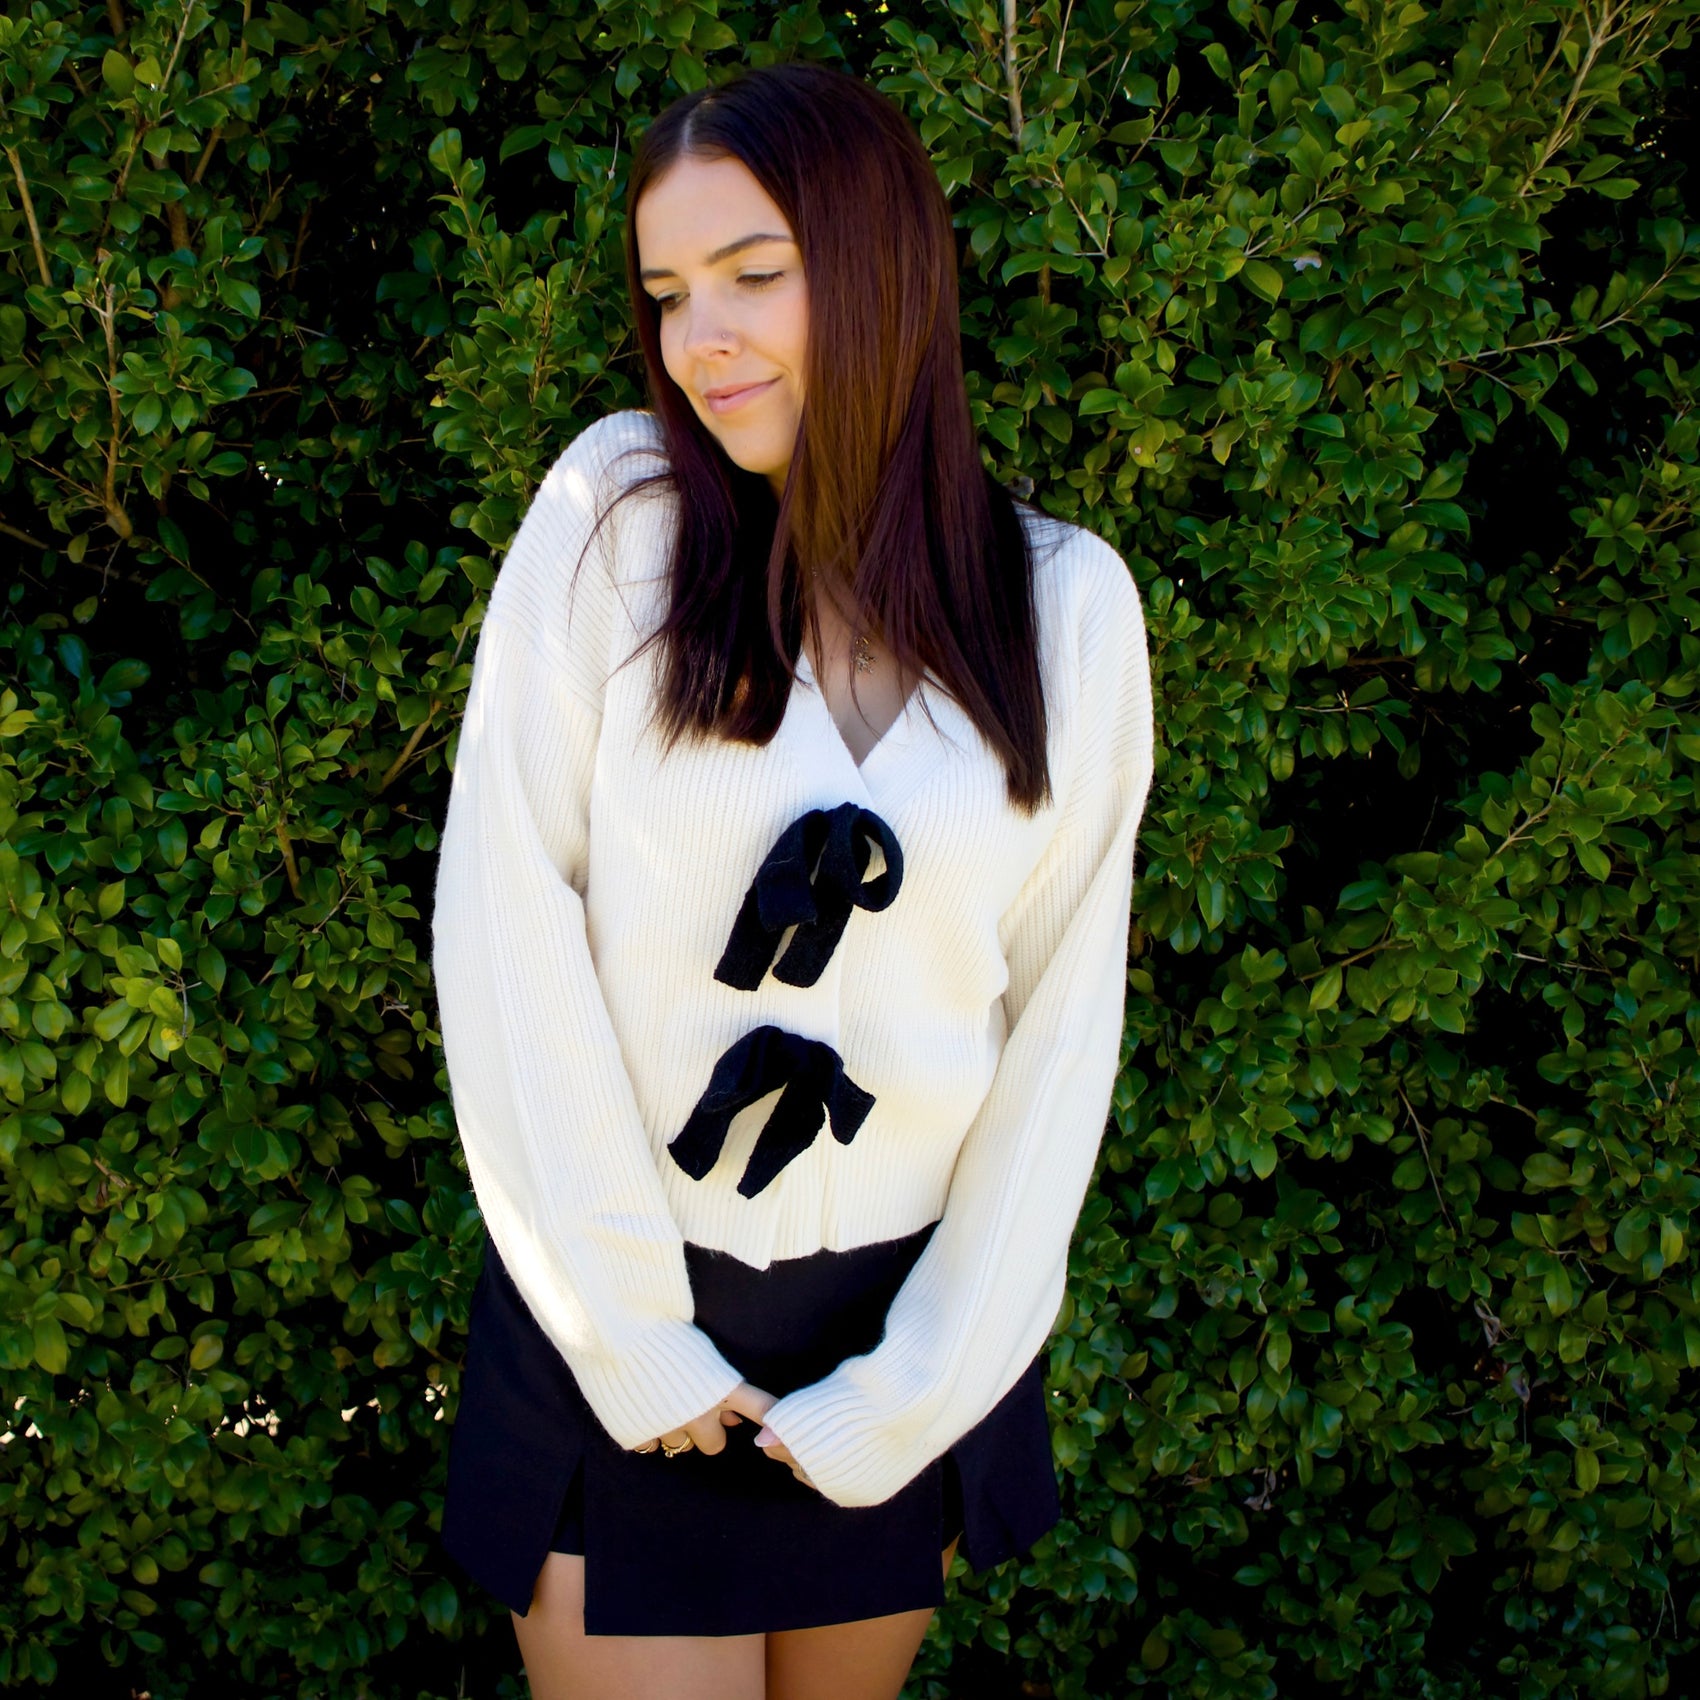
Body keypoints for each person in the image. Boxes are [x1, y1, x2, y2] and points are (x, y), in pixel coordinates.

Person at [430, 58, 1155, 1700]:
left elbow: (1062, 1037)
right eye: (671, 292)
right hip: (620, 1298)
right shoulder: (617, 520)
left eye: (757, 275)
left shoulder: (1066, 611)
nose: (705, 339)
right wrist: (629, 1333)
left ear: (884, 260)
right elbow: (502, 930)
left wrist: (924, 1383)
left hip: (895, 1337)